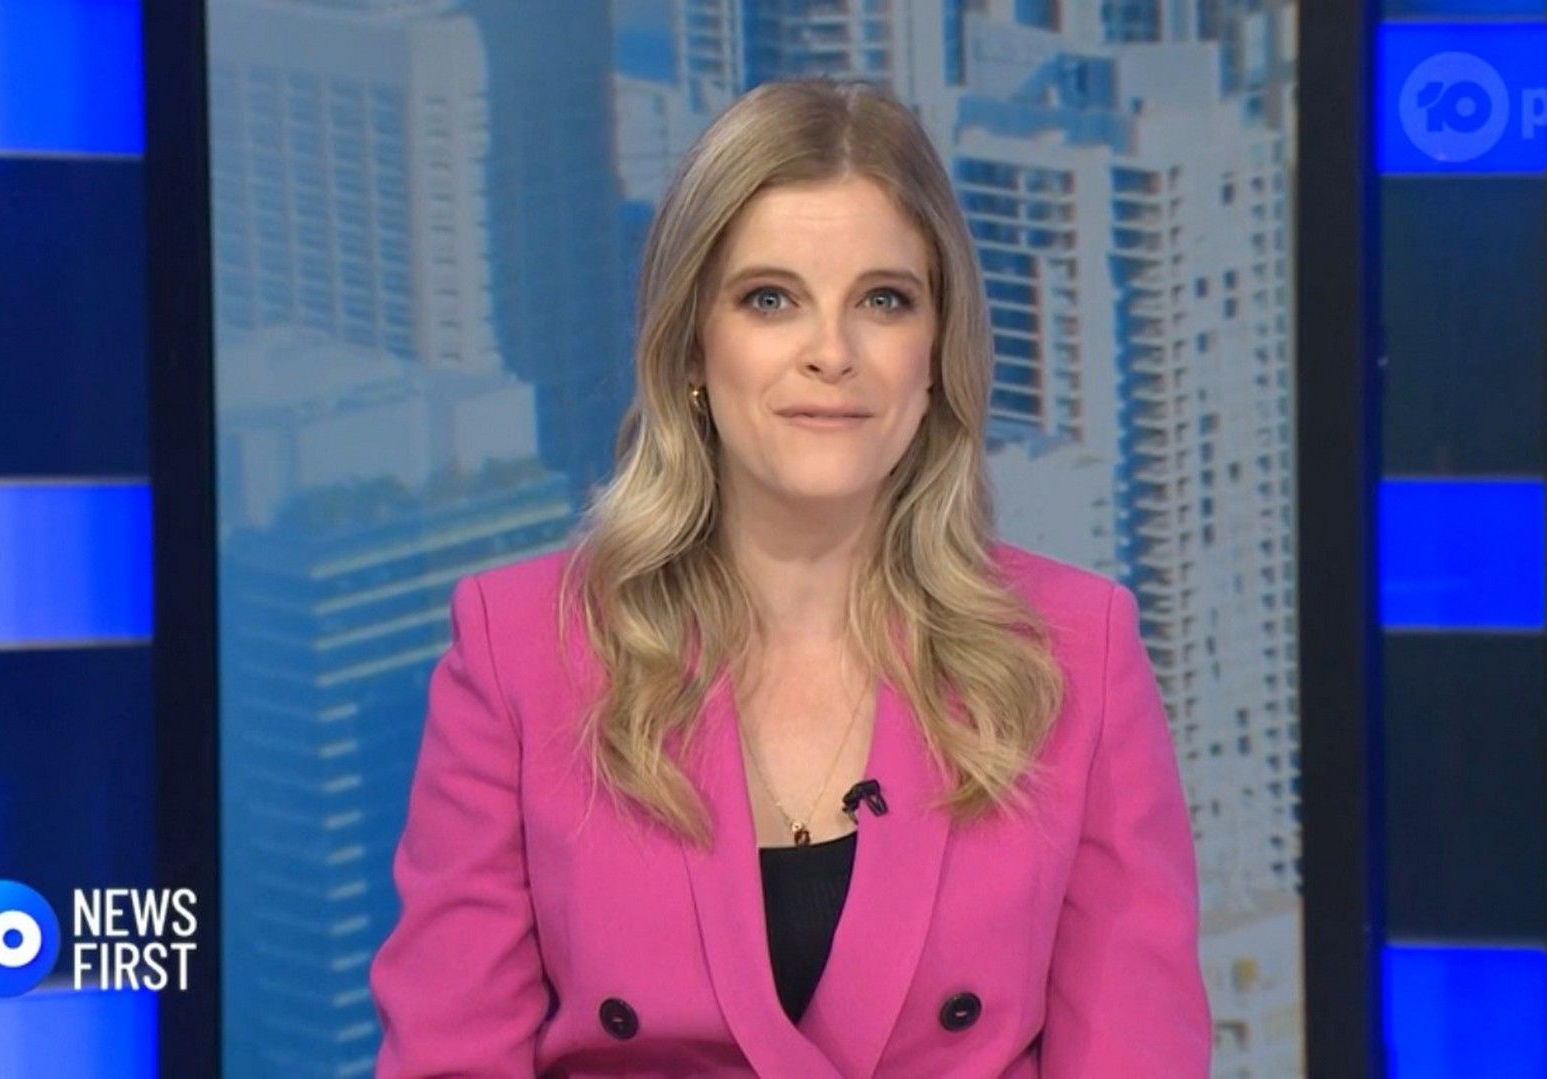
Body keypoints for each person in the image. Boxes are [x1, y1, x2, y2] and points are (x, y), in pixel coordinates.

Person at [369, 77, 1209, 1077]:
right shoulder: (521, 650)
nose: (831, 353)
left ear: (935, 350)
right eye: (770, 299)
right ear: (692, 344)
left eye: (883, 301)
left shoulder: (1076, 650)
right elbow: (452, 1056)